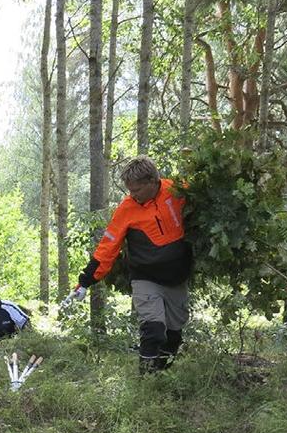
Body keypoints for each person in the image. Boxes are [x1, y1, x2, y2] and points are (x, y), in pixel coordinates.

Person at [64, 156, 192, 373]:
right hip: (145, 277)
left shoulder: (178, 190)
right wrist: (85, 281)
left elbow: (206, 201)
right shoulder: (127, 208)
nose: (132, 195)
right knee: (153, 330)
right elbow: (108, 246)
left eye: (137, 190)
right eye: (129, 190)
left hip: (177, 277)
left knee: (173, 335)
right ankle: (146, 381)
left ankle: (163, 378)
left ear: (153, 180)